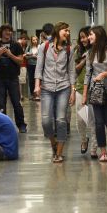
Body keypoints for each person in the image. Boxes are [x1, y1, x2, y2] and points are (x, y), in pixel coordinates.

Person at [35, 21, 76, 163]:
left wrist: (72, 91)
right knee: (46, 121)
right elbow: (39, 68)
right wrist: (37, 85)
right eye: (66, 30)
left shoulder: (69, 49)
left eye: (69, 31)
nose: (68, 33)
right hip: (47, 88)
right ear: (58, 31)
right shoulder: (44, 47)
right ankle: (53, 142)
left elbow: (71, 71)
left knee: (61, 120)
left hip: (63, 88)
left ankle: (59, 153)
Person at [82, 25, 107, 162]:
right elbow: (88, 74)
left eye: (91, 34)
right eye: (88, 35)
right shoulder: (89, 53)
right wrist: (84, 95)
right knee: (99, 123)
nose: (88, 37)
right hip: (96, 92)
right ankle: (103, 151)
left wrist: (104, 74)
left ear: (98, 35)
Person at [0, 24, 27, 133]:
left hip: (13, 78)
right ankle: (2, 126)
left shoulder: (16, 45)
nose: (8, 33)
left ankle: (21, 125)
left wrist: (10, 54)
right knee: (1, 104)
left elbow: (20, 61)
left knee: (16, 102)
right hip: (0, 79)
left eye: (10, 31)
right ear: (1, 32)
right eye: (6, 31)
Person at [74, 26, 96, 157]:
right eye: (81, 37)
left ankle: (94, 149)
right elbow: (75, 69)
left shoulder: (98, 50)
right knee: (81, 120)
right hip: (81, 88)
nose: (83, 39)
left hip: (95, 90)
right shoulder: (78, 51)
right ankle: (84, 140)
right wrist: (85, 59)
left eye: (85, 36)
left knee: (93, 120)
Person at [25, 35, 40, 100]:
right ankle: (32, 94)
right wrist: (32, 56)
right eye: (33, 40)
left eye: (36, 40)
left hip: (37, 65)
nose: (35, 41)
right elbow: (25, 56)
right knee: (31, 80)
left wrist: (36, 57)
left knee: (37, 79)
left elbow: (41, 57)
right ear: (31, 41)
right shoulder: (28, 47)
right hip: (30, 65)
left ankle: (37, 94)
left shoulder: (39, 47)